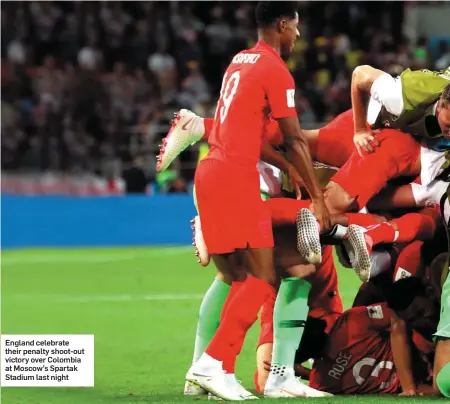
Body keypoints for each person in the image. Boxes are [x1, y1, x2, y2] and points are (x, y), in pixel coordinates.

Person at [186, 2, 330, 400]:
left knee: (243, 276)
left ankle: (218, 369)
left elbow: (250, 133)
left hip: (211, 171)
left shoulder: (240, 61)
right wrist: (316, 197)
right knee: (263, 276)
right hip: (235, 179)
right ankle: (212, 364)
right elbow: (297, 137)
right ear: (282, 25)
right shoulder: (275, 69)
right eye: (296, 28)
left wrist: (288, 167)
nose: (298, 35)